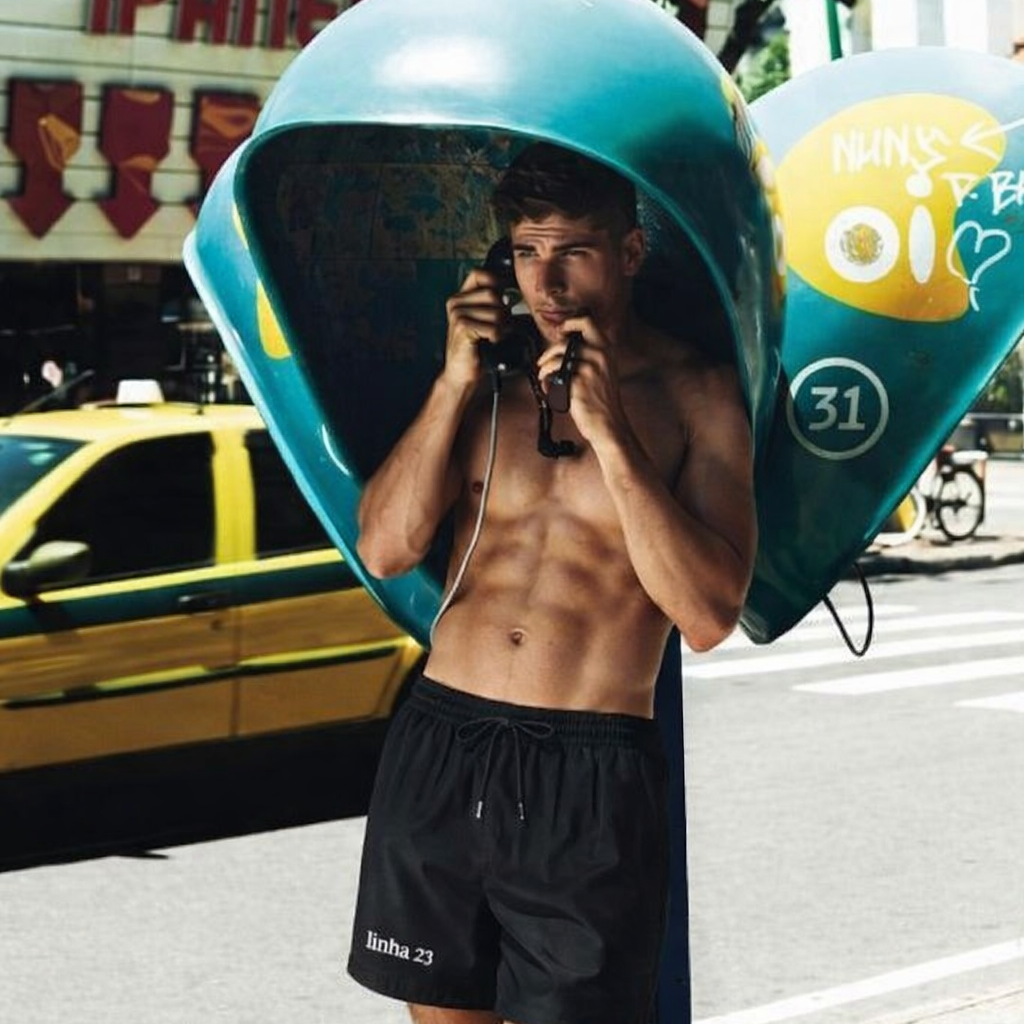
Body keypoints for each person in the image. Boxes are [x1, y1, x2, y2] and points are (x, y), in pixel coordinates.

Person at [347, 142, 757, 1024]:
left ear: (630, 253)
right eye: (528, 252)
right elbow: (384, 548)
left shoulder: (697, 394)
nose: (548, 281)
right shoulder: (483, 386)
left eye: (573, 250)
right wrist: (455, 379)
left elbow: (709, 612)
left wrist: (611, 435)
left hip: (588, 766)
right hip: (444, 741)